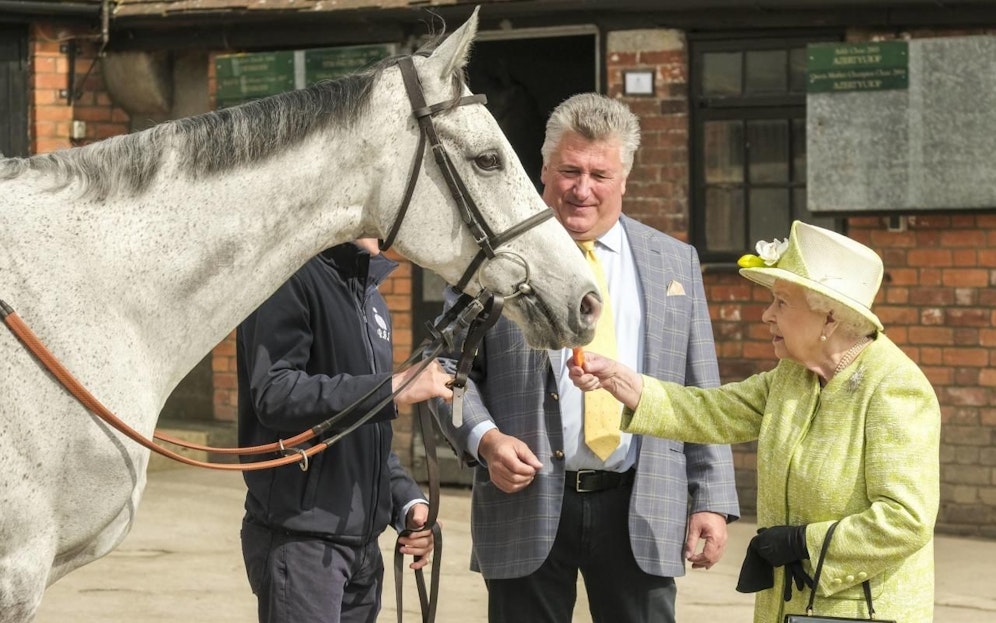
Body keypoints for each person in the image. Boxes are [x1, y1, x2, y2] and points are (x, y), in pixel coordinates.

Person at [429, 92, 740, 623]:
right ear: (544, 171)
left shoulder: (675, 263)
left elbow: (699, 391)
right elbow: (444, 369)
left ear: (624, 179)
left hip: (640, 504)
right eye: (569, 170)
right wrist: (485, 440)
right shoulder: (494, 261)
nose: (582, 189)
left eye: (600, 174)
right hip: (525, 502)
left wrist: (710, 496)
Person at [570, 220, 940, 623]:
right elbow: (713, 411)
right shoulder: (793, 377)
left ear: (829, 319)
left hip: (861, 612)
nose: (766, 315)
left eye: (782, 302)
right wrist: (621, 380)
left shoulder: (894, 389)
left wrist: (805, 543)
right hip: (789, 607)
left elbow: (906, 520)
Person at [236, 238, 454, 623]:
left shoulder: (370, 298)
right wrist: (393, 387)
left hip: (363, 549)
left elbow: (363, 431)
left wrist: (407, 503)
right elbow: (274, 393)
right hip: (302, 543)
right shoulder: (287, 276)